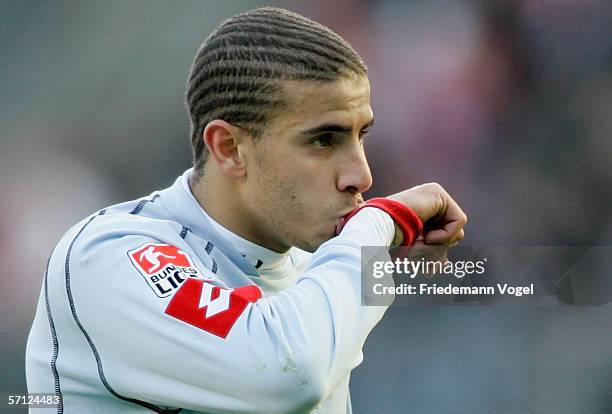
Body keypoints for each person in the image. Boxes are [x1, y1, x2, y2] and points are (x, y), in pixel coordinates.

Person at [26, 7, 466, 414]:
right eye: (323, 140)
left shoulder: (313, 266)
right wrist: (375, 228)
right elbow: (286, 375)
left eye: (361, 135)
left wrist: (375, 259)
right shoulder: (107, 256)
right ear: (230, 148)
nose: (362, 176)